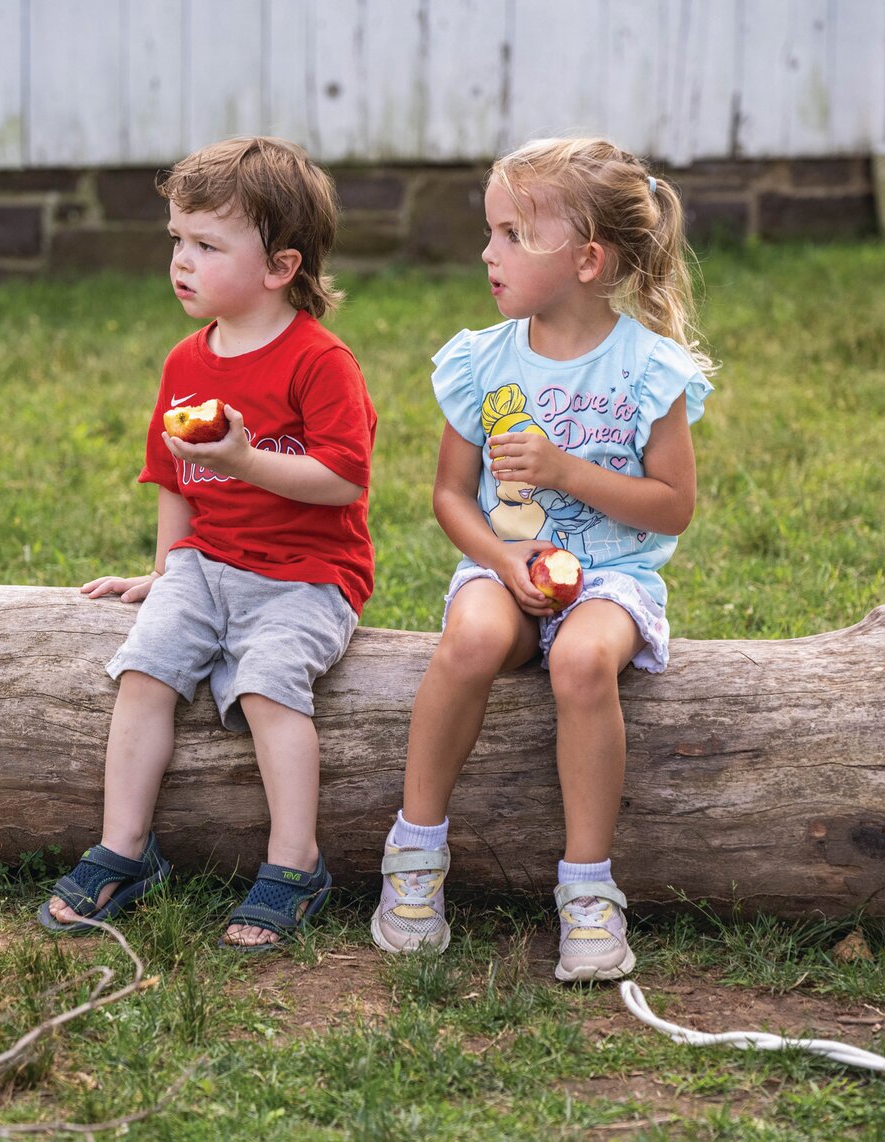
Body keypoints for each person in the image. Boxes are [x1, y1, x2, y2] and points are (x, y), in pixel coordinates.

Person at [370, 138, 713, 981]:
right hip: (505, 564)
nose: (489, 252)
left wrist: (567, 473)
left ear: (587, 259)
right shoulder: (483, 363)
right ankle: (415, 857)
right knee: (472, 640)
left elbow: (673, 505)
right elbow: (452, 496)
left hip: (613, 577)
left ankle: (588, 891)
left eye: (514, 235)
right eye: (490, 232)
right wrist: (504, 559)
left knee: (587, 659)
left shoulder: (647, 370)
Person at [38, 136, 377, 952]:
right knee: (145, 670)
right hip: (208, 566)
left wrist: (245, 459)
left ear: (279, 266)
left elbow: (343, 479)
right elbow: (173, 481)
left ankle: (295, 864)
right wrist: (166, 573)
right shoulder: (187, 360)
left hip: (307, 577)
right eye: (177, 243)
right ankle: (126, 848)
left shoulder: (319, 362)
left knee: (266, 686)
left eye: (206, 246)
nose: (181, 263)